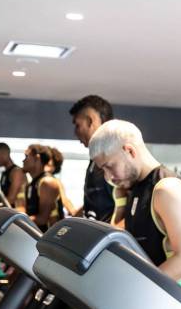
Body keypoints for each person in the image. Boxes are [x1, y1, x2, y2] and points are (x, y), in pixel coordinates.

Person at [89, 119, 181, 309]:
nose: (109, 177)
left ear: (129, 150)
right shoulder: (136, 190)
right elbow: (119, 242)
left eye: (110, 167)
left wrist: (135, 292)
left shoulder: (166, 189)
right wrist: (120, 202)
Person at [69, 95, 122, 224]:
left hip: (106, 241)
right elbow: (93, 204)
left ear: (89, 121)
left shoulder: (115, 158)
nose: (75, 132)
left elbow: (129, 212)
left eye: (77, 125)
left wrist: (109, 239)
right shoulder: (95, 159)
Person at [22, 144, 64, 232]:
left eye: (26, 156)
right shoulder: (30, 185)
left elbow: (42, 219)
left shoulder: (47, 182)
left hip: (49, 241)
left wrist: (17, 221)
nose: (23, 160)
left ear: (37, 158)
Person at [0, 142, 27, 211]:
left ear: (4, 154)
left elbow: (11, 199)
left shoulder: (17, 172)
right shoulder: (4, 173)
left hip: (17, 214)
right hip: (9, 211)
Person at [45, 146, 78, 216]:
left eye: (48, 164)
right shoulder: (37, 181)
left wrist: (74, 213)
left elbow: (65, 200)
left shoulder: (54, 181)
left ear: (54, 167)